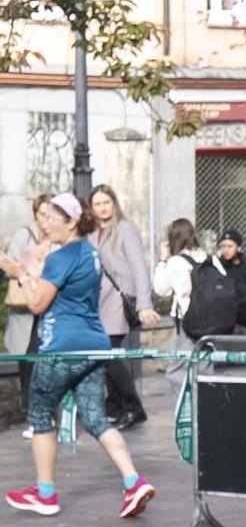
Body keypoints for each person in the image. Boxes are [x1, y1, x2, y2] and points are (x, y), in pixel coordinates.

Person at [0, 193, 154, 519]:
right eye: (43, 218)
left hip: (61, 347)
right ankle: (133, 481)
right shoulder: (89, 253)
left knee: (40, 415)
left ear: (71, 221)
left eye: (52, 219)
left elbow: (38, 303)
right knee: (95, 417)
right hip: (94, 344)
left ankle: (45, 493)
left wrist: (23, 275)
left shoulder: (63, 256)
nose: (46, 225)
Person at [90, 184, 158, 430]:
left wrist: (144, 304)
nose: (102, 208)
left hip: (119, 301)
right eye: (97, 204)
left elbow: (139, 266)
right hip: (99, 303)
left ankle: (133, 406)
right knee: (103, 355)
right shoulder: (91, 233)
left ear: (114, 203)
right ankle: (116, 406)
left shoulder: (125, 228)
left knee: (109, 353)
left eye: (106, 202)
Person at [4, 194, 51, 433]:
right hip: (26, 310)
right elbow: (8, 265)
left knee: (47, 361)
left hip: (50, 307)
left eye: (50, 213)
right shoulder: (25, 235)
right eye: (42, 213)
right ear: (35, 214)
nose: (46, 219)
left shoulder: (58, 238)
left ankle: (45, 413)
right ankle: (34, 413)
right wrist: (27, 271)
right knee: (29, 361)